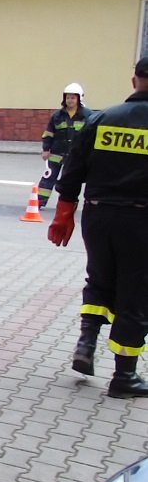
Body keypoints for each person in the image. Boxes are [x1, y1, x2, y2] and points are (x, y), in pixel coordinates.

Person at [48, 56, 148, 398]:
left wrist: (64, 212)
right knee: (135, 295)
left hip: (97, 218)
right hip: (140, 222)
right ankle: (125, 376)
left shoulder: (102, 119)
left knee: (100, 279)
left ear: (134, 80)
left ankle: (86, 343)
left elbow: (73, 168)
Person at [38, 82, 92, 209]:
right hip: (57, 153)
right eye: (68, 97)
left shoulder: (88, 115)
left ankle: (67, 204)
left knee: (70, 181)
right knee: (48, 177)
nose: (70, 100)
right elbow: (49, 133)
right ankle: (39, 201)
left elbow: (91, 135)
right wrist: (46, 149)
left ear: (79, 98)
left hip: (75, 155)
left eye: (73, 97)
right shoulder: (57, 116)